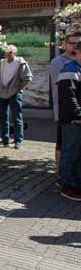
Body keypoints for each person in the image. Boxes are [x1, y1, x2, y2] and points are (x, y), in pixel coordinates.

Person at [0, 45, 33, 149]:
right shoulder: (2, 62)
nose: (7, 54)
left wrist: (18, 89)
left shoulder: (21, 63)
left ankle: (18, 141)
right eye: (6, 52)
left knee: (17, 117)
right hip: (2, 93)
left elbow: (27, 78)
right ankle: (4, 140)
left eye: (9, 52)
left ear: (15, 53)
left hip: (14, 94)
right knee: (3, 117)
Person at [50, 33, 80, 167]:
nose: (75, 46)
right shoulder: (59, 62)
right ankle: (61, 174)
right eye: (72, 43)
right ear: (65, 45)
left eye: (78, 43)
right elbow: (61, 89)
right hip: (65, 110)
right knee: (63, 144)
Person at [57, 41, 81, 201]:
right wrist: (78, 116)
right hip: (73, 121)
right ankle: (68, 186)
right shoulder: (70, 70)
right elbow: (68, 98)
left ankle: (76, 184)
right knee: (71, 153)